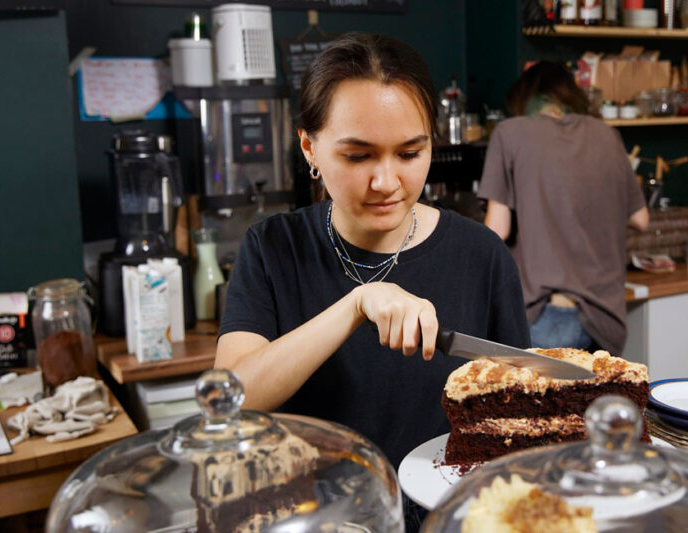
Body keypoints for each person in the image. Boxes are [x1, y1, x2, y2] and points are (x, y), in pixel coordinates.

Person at [216, 33, 530, 471]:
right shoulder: (272, 248)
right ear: (310, 148)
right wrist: (357, 304)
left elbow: (516, 412)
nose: (386, 181)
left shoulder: (482, 255)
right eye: (359, 156)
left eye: (409, 153)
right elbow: (229, 398)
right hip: (322, 515)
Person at [479, 61, 649, 356]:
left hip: (545, 315)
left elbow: (496, 231)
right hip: (605, 319)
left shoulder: (509, 132)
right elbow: (641, 219)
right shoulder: (606, 134)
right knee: (591, 404)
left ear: (524, 100)